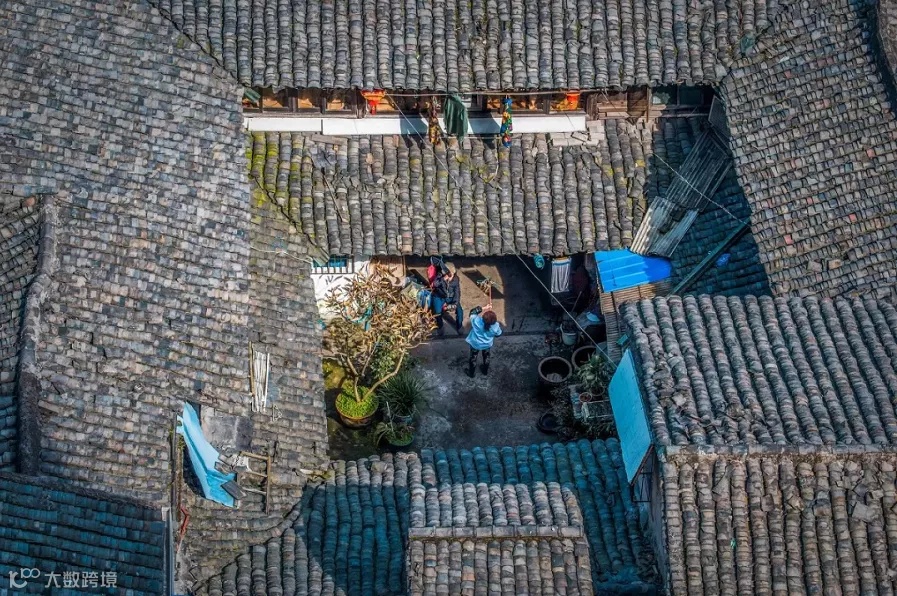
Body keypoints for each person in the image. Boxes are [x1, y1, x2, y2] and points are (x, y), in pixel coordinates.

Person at [465, 304, 502, 378]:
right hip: (487, 344)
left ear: (483, 318)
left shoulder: (476, 321)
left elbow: (472, 312)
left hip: (475, 344)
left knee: (473, 358)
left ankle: (471, 373)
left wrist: (485, 307)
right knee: (486, 356)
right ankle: (485, 371)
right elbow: (498, 334)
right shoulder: (496, 326)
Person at [431, 262, 463, 335]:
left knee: (460, 311)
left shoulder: (456, 279)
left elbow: (457, 292)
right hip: (440, 295)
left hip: (450, 297)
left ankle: (459, 326)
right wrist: (443, 279)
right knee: (437, 311)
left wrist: (455, 303)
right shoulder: (440, 275)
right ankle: (440, 326)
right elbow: (435, 284)